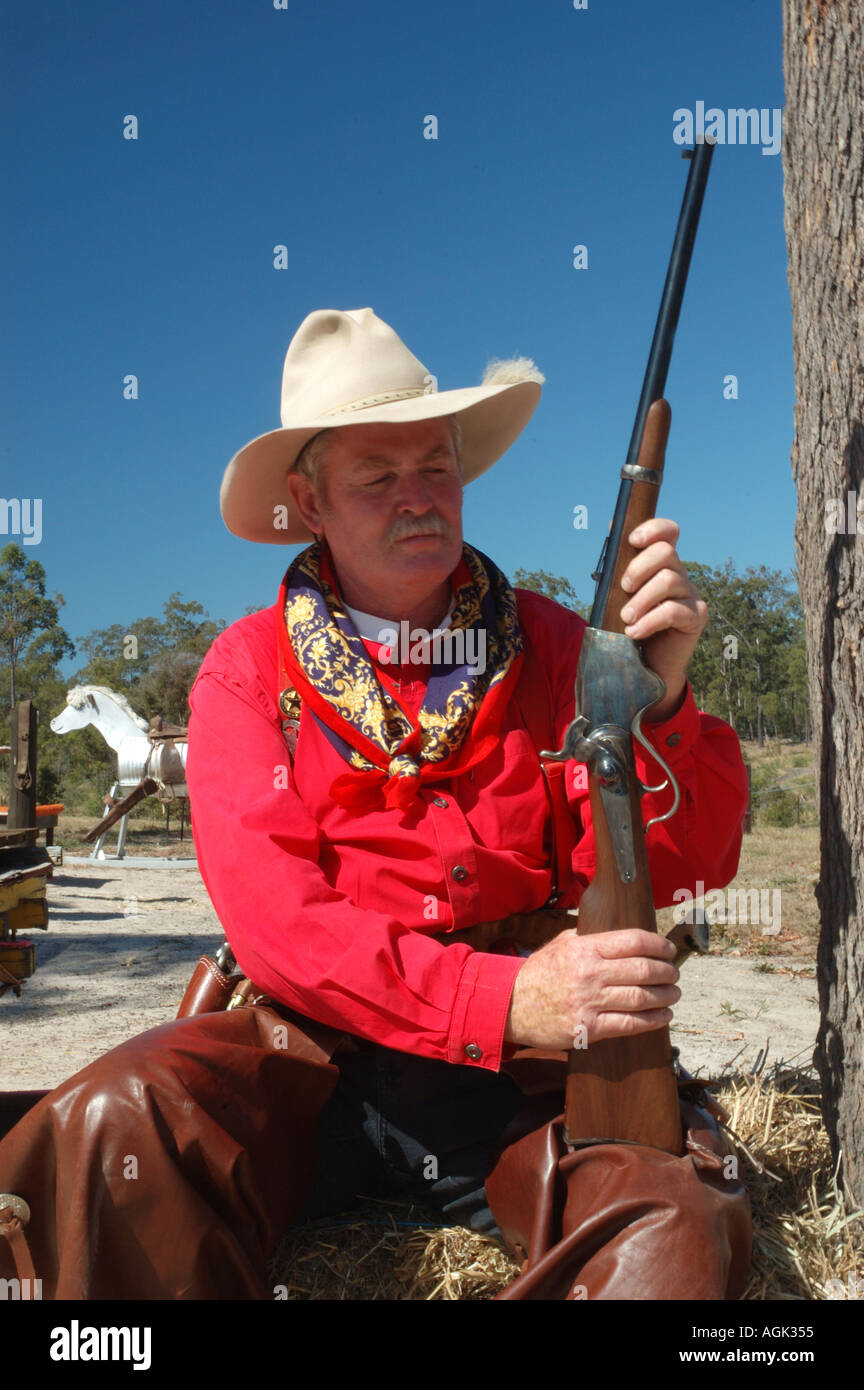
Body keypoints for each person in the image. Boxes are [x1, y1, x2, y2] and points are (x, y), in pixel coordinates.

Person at [0, 308, 751, 1300]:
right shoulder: (242, 671)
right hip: (310, 1061)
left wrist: (660, 707)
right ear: (310, 502)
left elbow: (691, 865)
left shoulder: (564, 644)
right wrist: (499, 997)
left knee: (673, 1227)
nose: (419, 500)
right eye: (377, 478)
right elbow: (279, 928)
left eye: (435, 468)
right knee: (109, 1123)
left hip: (522, 1084)